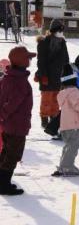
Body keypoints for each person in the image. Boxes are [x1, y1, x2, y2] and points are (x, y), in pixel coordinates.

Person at [0, 46, 36, 195]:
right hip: (16, 125)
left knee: (6, 153)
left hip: (9, 125)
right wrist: (2, 115)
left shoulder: (8, 77)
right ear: (22, 61)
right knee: (12, 155)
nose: (30, 60)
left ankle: (2, 182)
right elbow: (11, 103)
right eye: (28, 58)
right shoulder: (19, 81)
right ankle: (4, 185)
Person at [44, 53, 79, 138]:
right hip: (69, 94)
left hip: (67, 93)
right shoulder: (73, 72)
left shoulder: (73, 69)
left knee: (67, 112)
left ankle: (53, 129)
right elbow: (78, 86)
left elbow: (78, 85)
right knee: (73, 113)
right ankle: (70, 132)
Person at [35, 19, 70, 129]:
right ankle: (44, 118)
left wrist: (66, 74)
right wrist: (43, 75)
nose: (61, 32)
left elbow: (66, 59)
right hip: (47, 75)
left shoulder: (62, 42)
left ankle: (54, 118)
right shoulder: (44, 42)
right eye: (60, 30)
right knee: (46, 99)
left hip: (58, 76)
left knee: (55, 99)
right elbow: (41, 61)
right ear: (55, 30)